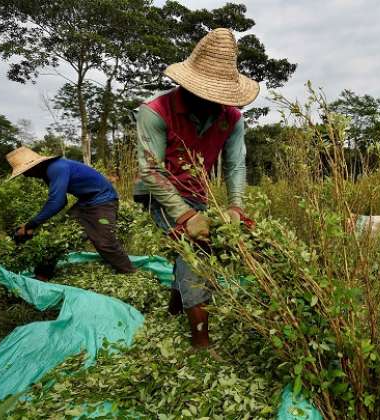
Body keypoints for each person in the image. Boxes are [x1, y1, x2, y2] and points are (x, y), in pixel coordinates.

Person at [132, 28, 258, 348]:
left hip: (196, 194)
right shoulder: (155, 112)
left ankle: (176, 306)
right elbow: (151, 171)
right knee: (196, 249)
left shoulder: (232, 118)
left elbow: (235, 166)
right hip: (157, 193)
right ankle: (201, 344)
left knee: (204, 243)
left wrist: (236, 207)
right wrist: (186, 217)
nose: (214, 102)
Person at [7, 147, 137, 274]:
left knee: (105, 243)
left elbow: (56, 202)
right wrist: (32, 226)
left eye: (25, 171)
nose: (25, 175)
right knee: (58, 238)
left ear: (33, 167)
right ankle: (42, 276)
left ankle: (131, 274)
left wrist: (31, 225)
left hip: (103, 201)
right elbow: (61, 201)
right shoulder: (48, 172)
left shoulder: (56, 168)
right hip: (85, 202)